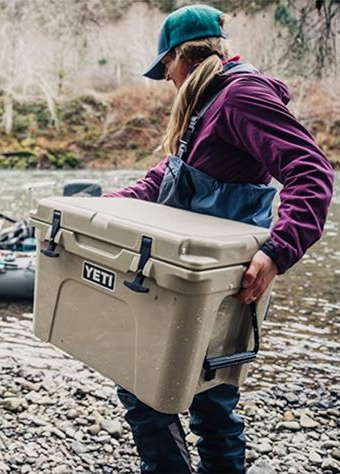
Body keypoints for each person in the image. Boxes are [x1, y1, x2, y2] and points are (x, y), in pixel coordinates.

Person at [104, 4, 334, 474]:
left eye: (165, 66)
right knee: (204, 397)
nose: (166, 78)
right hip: (189, 278)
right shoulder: (205, 106)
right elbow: (166, 181)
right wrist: (97, 209)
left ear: (184, 58)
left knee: (160, 388)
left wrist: (276, 251)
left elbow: (312, 172)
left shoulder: (240, 98)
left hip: (222, 281)